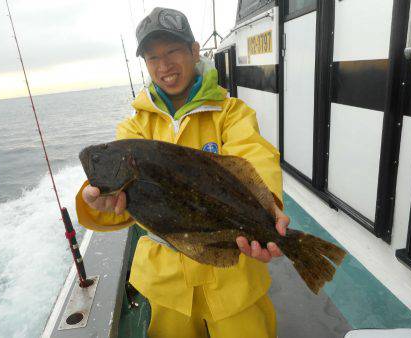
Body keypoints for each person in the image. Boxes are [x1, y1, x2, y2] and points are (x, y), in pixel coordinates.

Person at [76, 7, 290, 338]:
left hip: (234, 274)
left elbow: (253, 157)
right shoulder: (134, 128)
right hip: (165, 284)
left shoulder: (231, 112)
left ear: (194, 50)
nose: (164, 66)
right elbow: (126, 206)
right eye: (152, 57)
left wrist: (269, 206)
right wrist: (96, 201)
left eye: (173, 51)